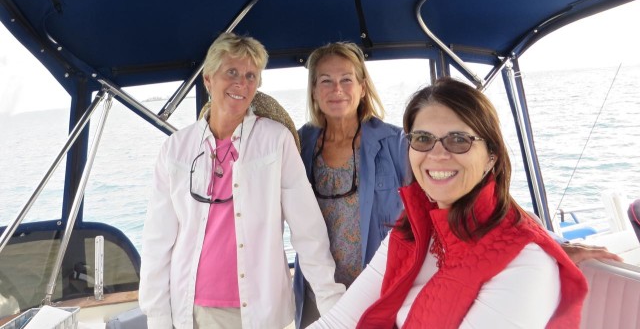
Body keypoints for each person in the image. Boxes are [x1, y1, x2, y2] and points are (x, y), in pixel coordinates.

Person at [309, 77, 588, 328]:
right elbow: (338, 323)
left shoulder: (525, 261)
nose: (437, 154)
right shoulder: (412, 231)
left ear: (491, 156)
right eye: (422, 139)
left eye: (458, 140)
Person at [139, 32, 345, 329]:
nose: (241, 83)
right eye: (231, 72)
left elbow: (308, 230)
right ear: (209, 79)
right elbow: (158, 240)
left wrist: (332, 305)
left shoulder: (275, 141)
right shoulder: (175, 149)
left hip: (260, 311)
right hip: (192, 310)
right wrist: (157, 315)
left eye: (251, 75)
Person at [293, 42, 407, 328]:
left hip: (378, 291)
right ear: (314, 91)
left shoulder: (396, 143)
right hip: (318, 292)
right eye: (326, 81)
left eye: (346, 79)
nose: (337, 89)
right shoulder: (298, 144)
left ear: (362, 87)